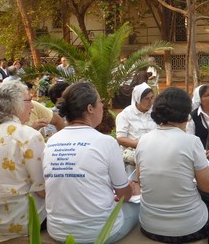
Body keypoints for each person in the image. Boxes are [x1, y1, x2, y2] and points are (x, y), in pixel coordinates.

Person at [43, 81, 139, 243]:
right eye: (100, 102)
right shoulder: (106, 142)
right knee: (139, 207)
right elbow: (124, 195)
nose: (103, 105)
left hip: (58, 231)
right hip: (98, 233)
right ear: (90, 108)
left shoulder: (51, 142)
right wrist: (131, 188)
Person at [136, 87, 209, 243]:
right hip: (188, 228)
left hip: (149, 226)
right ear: (185, 114)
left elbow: (141, 181)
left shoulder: (143, 141)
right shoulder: (191, 142)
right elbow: (207, 187)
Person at [0, 81, 46, 242]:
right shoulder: (29, 135)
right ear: (15, 105)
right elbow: (42, 190)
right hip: (19, 221)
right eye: (29, 100)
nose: (32, 106)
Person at [115, 83, 157, 173]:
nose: (150, 102)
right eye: (146, 98)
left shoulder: (156, 113)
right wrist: (142, 144)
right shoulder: (125, 114)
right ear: (137, 99)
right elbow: (121, 139)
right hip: (133, 158)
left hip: (155, 155)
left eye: (151, 98)